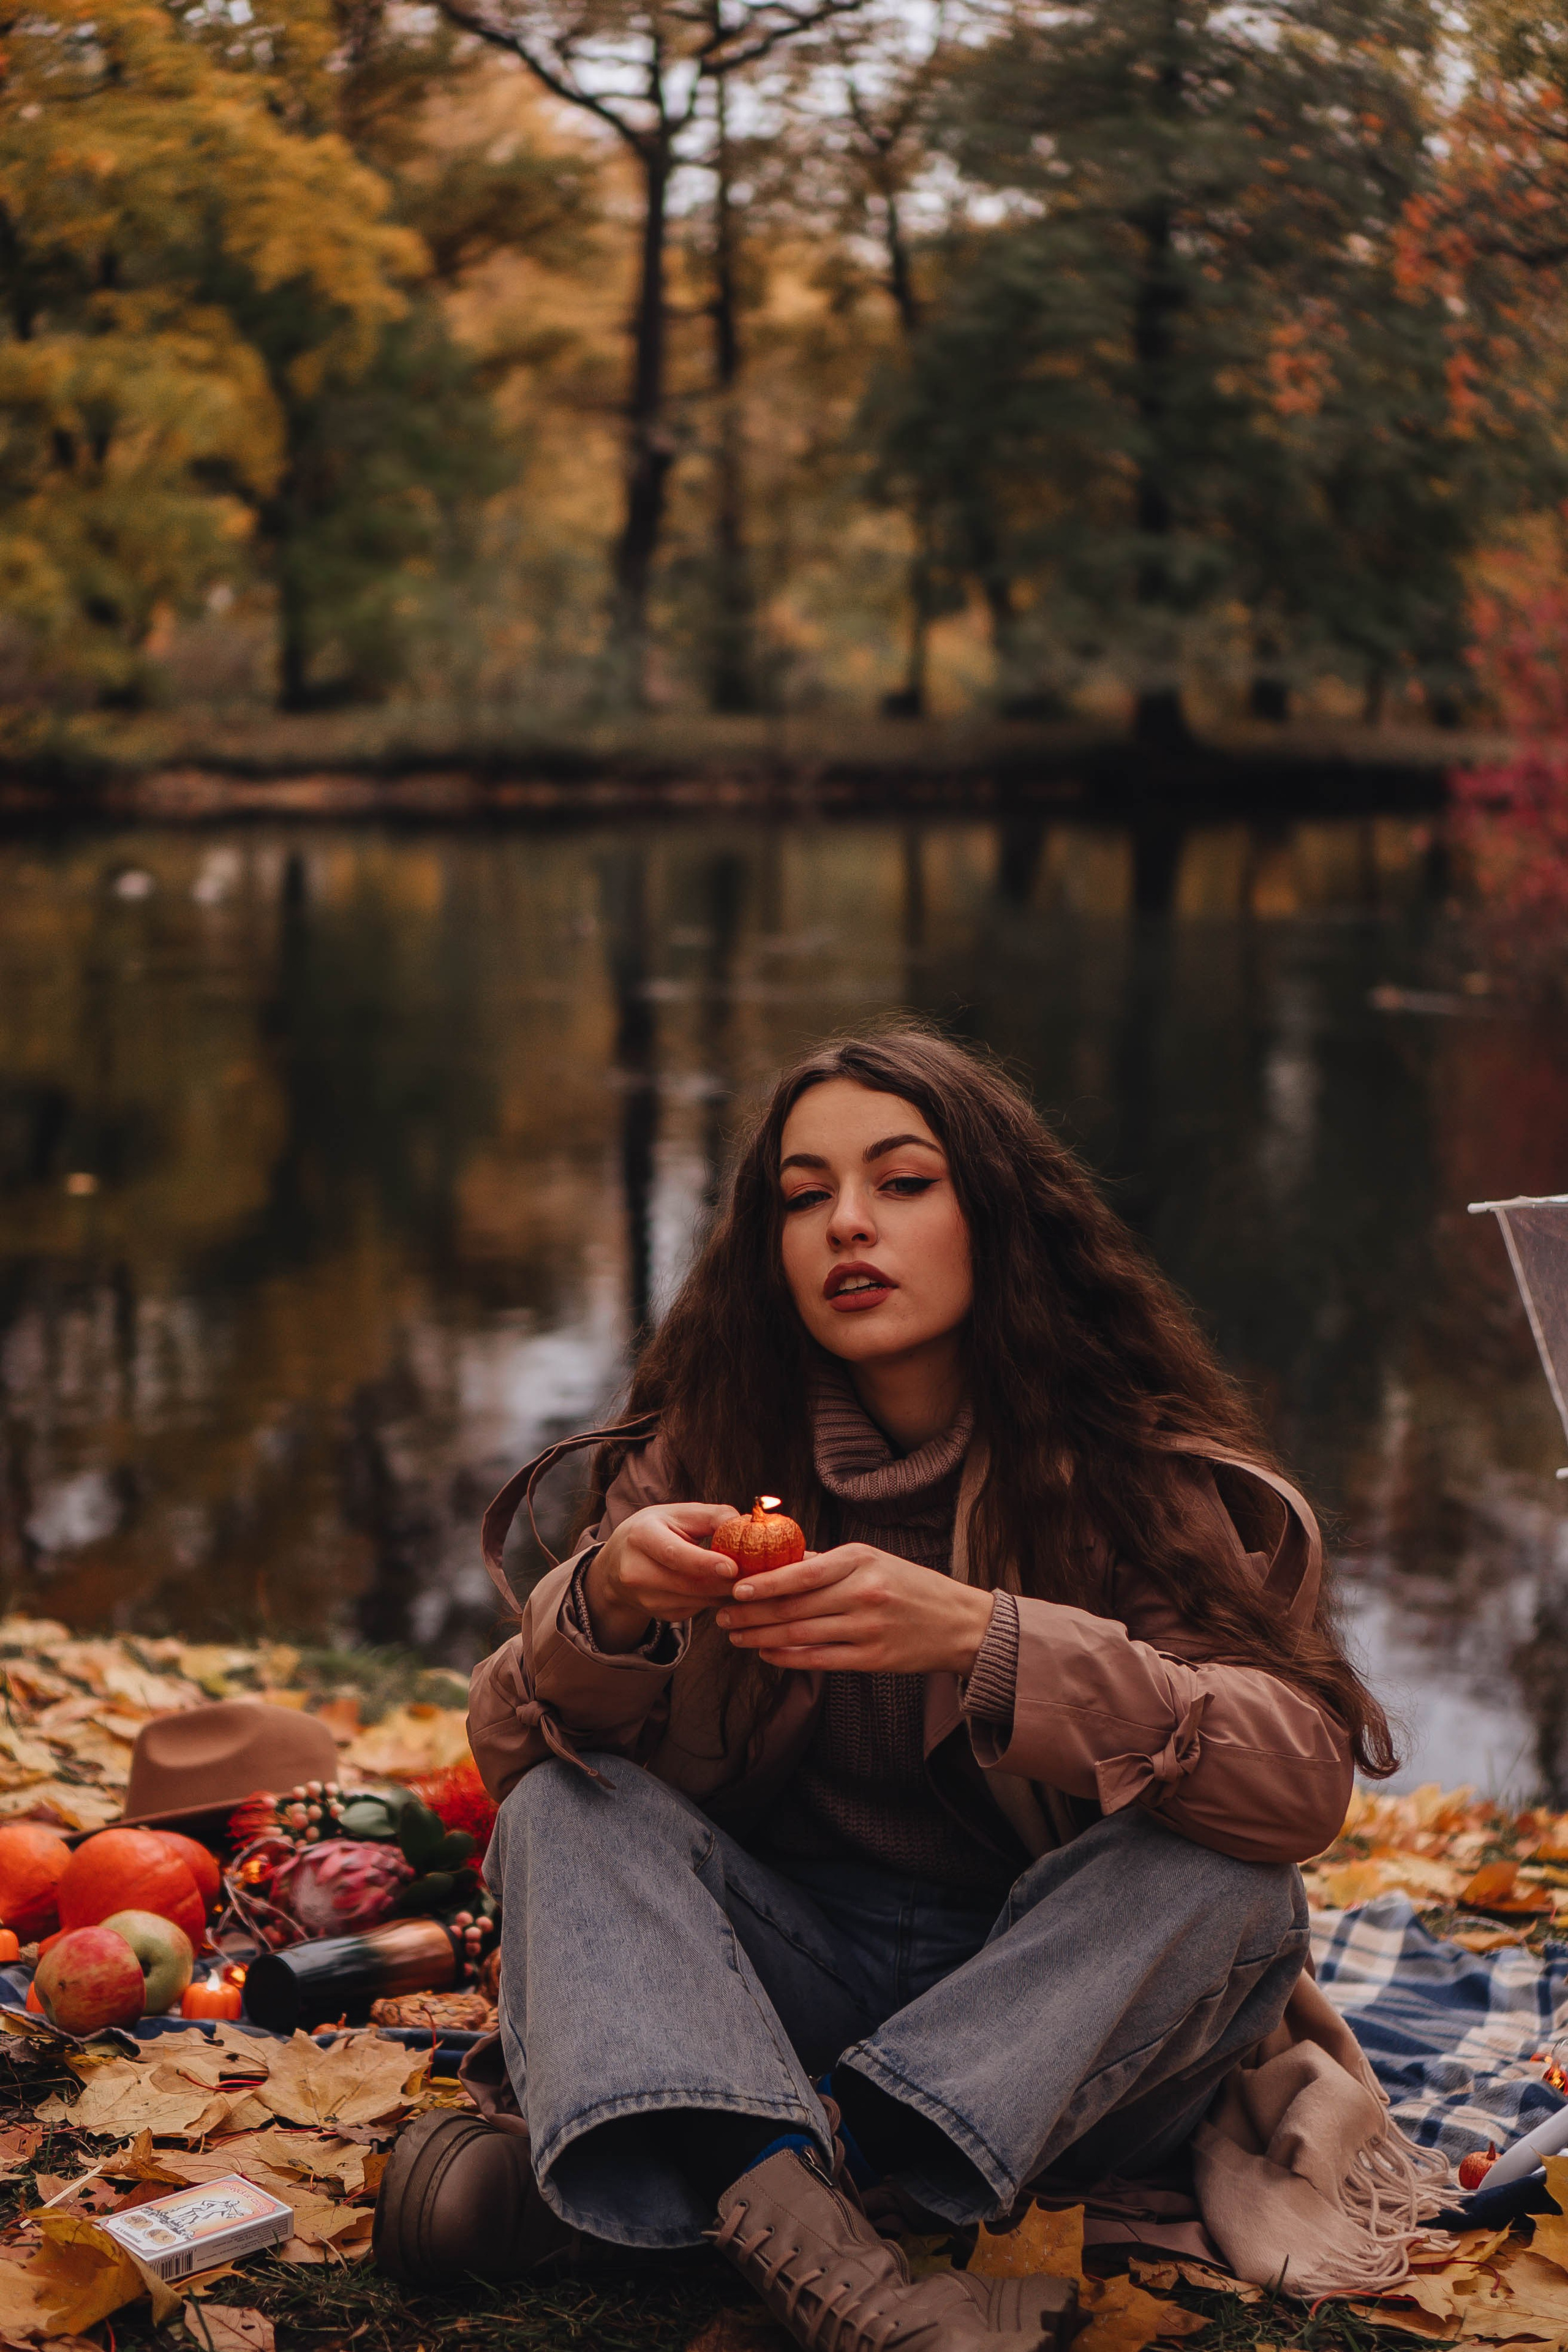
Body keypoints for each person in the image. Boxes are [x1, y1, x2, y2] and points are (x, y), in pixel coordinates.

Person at [374, 1029, 1412, 2351]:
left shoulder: (1127, 1464)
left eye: (901, 1183)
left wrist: (989, 1640)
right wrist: (602, 1608)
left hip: (1049, 2017)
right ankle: (848, 2275)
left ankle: (733, 2177)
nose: (846, 1226)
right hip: (781, 1966)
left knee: (1229, 1884)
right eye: (804, 1197)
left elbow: (1293, 1781)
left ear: (998, 1217)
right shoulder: (705, 1447)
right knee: (562, 1816)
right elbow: (528, 1755)